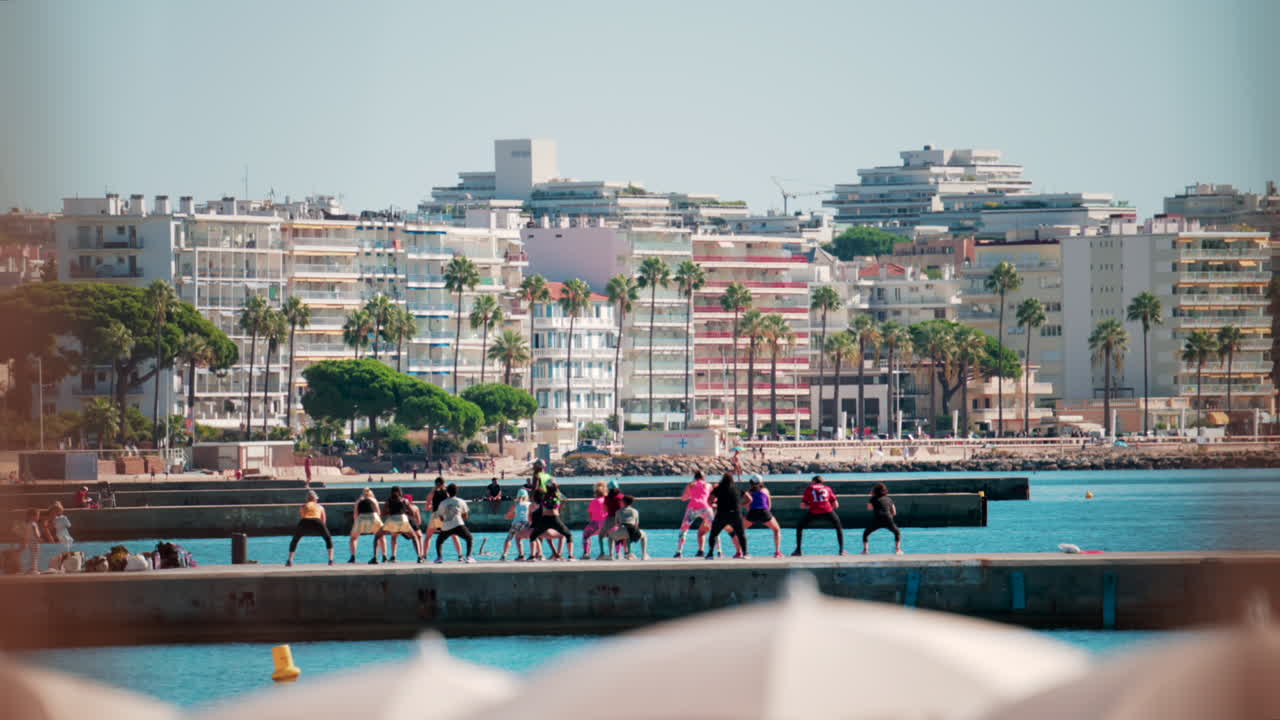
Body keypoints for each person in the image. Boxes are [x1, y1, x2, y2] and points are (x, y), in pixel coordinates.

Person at [793, 475, 844, 556]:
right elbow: (836, 505)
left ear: (813, 481)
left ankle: (798, 550)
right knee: (839, 527)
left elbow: (802, 505)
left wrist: (812, 505)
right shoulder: (827, 488)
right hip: (828, 510)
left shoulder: (810, 488)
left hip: (814, 511)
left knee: (800, 526)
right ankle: (841, 550)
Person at [372, 486, 421, 563]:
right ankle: (419, 557)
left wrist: (390, 512)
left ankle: (375, 558)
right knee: (414, 537)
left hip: (391, 520)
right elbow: (412, 512)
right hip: (403, 519)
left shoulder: (388, 501)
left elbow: (383, 514)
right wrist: (404, 511)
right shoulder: (405, 500)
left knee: (377, 536)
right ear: (400, 492)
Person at [528, 480, 574, 560]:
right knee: (568, 534)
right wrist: (560, 507)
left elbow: (539, 497)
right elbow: (564, 499)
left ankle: (532, 556)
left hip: (545, 518)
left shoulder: (545, 496)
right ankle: (570, 556)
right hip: (555, 518)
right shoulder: (557, 495)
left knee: (533, 536)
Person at [285, 491, 334, 566]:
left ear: (307, 499)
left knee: (295, 540)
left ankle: (290, 561)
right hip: (317, 521)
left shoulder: (303, 506)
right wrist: (321, 530)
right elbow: (323, 520)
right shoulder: (320, 507)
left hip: (304, 521)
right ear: (315, 499)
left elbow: (302, 517)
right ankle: (331, 560)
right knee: (328, 539)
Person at [705, 473, 747, 559]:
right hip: (736, 514)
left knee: (714, 534)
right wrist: (741, 505)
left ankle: (710, 554)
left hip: (722, 514)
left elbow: (709, 500)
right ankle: (745, 553)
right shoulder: (737, 488)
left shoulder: (718, 488)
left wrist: (714, 505)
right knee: (741, 534)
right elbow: (749, 498)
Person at [674, 471, 713, 558]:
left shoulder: (691, 485)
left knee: (684, 529)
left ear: (695, 477)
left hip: (692, 508)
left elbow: (683, 498)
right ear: (704, 477)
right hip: (705, 508)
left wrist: (691, 495)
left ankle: (679, 552)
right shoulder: (709, 485)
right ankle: (718, 551)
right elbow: (712, 498)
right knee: (714, 528)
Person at [742, 476, 782, 558]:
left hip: (752, 512)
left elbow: (748, 505)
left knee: (739, 531)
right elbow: (769, 505)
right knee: (776, 530)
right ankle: (777, 552)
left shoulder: (748, 492)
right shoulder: (765, 490)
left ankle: (741, 552)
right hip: (764, 512)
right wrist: (766, 515)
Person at [433, 483, 475, 563]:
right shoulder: (461, 501)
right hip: (458, 524)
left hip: (446, 526)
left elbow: (440, 517)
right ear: (456, 491)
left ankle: (439, 558)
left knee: (439, 541)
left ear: (447, 492)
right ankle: (469, 557)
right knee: (469, 538)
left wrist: (446, 522)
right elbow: (465, 516)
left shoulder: (443, 503)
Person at [863, 482, 903, 555]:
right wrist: (889, 517)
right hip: (888, 518)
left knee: (866, 533)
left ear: (874, 491)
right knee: (897, 532)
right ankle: (898, 550)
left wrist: (872, 497)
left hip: (877, 518)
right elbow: (894, 512)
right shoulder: (889, 499)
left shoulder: (873, 499)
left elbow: (869, 508)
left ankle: (865, 551)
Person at [348, 488, 385, 563]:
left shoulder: (358, 501)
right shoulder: (374, 500)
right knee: (381, 537)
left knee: (353, 538)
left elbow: (355, 514)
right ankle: (384, 556)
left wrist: (356, 524)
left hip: (361, 518)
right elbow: (378, 512)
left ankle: (353, 557)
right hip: (373, 517)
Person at [609, 495, 649, 559]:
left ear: (623, 502)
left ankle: (611, 555)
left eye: (621, 501)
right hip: (632, 530)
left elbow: (617, 524)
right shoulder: (635, 511)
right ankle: (644, 555)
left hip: (622, 529)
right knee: (644, 536)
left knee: (610, 536)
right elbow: (636, 524)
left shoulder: (618, 511)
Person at [500, 488, 533, 561]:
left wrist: (506, 516)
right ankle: (534, 554)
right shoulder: (530, 504)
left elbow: (509, 515)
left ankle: (505, 555)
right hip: (527, 523)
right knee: (530, 538)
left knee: (509, 538)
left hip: (516, 523)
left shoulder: (516, 504)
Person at [581, 481, 609, 559]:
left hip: (595, 523)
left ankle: (586, 553)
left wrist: (592, 522)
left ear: (596, 493)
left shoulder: (593, 501)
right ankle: (618, 553)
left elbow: (590, 515)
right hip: (607, 523)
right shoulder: (607, 501)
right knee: (613, 536)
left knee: (586, 535)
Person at [22, 509, 41, 573]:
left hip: (29, 541)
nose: (38, 517)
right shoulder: (33, 524)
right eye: (38, 516)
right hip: (34, 542)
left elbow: (25, 534)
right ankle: (34, 569)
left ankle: (31, 568)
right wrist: (39, 538)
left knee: (31, 555)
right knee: (34, 555)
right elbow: (36, 534)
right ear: (32, 516)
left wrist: (25, 541)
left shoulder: (26, 524)